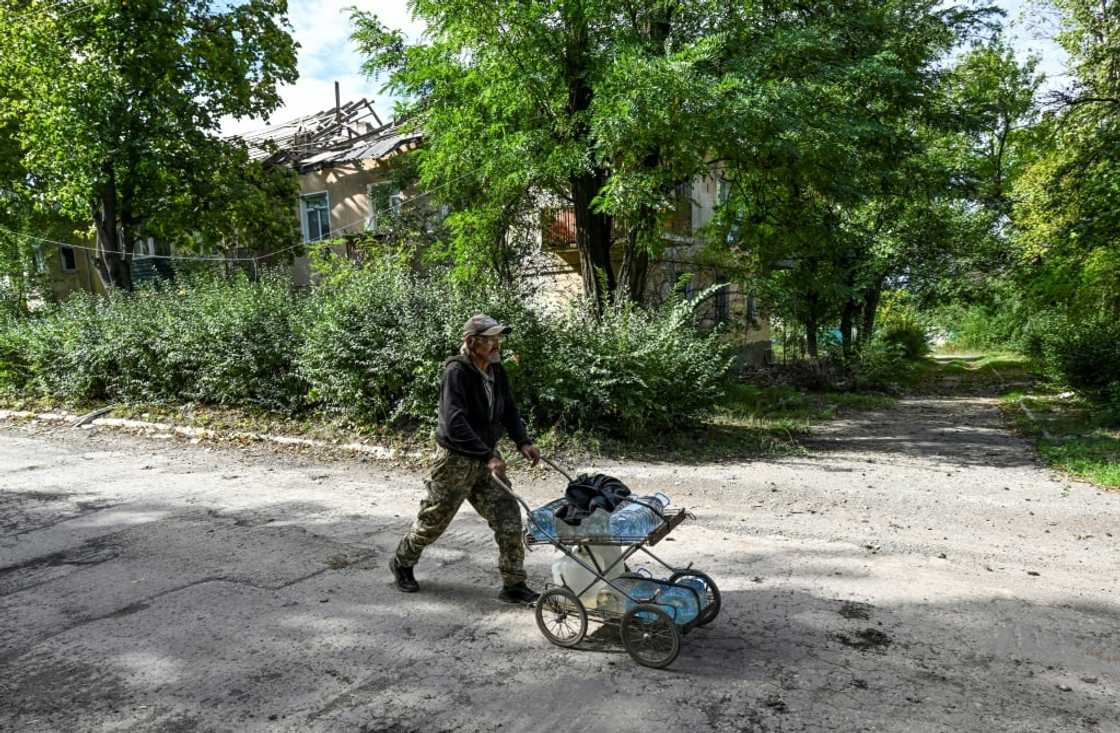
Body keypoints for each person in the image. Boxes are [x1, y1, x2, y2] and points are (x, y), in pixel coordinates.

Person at [389, 314, 542, 604]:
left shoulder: (496, 370)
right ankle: (402, 562)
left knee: (508, 516)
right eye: (490, 339)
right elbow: (454, 422)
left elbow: (508, 408)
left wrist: (523, 441)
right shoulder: (456, 372)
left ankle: (513, 585)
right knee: (433, 520)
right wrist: (488, 455)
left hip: (486, 458)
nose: (497, 344)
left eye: (499, 338)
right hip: (456, 460)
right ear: (472, 343)